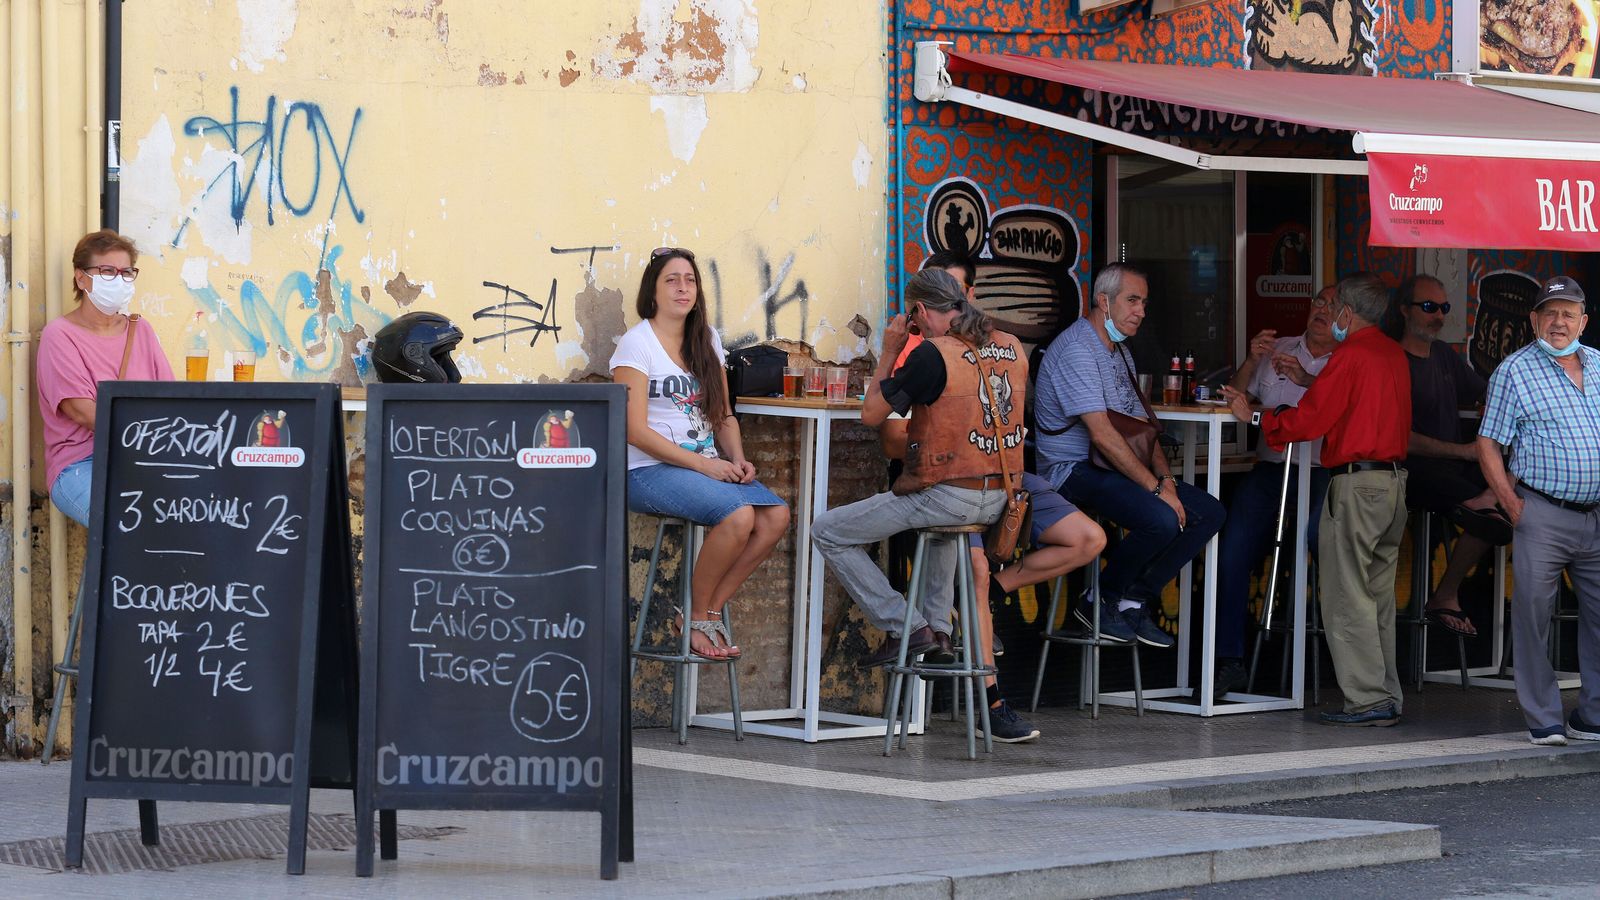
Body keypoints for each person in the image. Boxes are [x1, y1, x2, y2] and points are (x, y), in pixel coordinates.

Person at [812, 268, 1034, 737]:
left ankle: (907, 624)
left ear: (919, 312)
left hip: (949, 497)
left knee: (827, 530)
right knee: (937, 539)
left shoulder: (933, 355)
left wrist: (891, 351)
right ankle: (938, 631)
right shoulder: (1011, 346)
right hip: (999, 499)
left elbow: (873, 414)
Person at [1222, 273, 1411, 726]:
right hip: (1393, 484)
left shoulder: (1351, 354)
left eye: (1335, 308)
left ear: (1347, 313)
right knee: (1377, 597)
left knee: (1348, 597)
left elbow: (1309, 420)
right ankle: (1386, 695)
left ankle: (1367, 701)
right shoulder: (1393, 354)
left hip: (1356, 483)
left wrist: (1255, 419)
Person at [609, 247, 791, 660]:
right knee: (740, 515)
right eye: (672, 280)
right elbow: (633, 431)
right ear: (652, 292)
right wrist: (705, 465)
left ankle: (699, 613)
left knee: (775, 515)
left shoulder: (706, 340)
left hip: (703, 469)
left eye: (690, 280)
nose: (683, 288)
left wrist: (737, 459)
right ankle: (696, 620)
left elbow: (722, 414)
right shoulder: (636, 346)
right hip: (647, 471)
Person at [1035, 263, 1226, 648]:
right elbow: (1104, 435)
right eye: (1133, 300)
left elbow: (1141, 431)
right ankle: (1097, 599)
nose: (1141, 310)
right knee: (1161, 518)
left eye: (1144, 302)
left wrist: (1167, 482)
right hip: (1071, 471)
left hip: (1110, 467)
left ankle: (1130, 599)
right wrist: (1158, 493)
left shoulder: (1119, 350)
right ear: (1104, 302)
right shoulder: (1077, 349)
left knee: (1209, 513)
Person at [1475, 275, 1600, 746]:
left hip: (1596, 515)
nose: (1559, 322)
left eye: (1569, 313)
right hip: (1542, 511)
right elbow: (1487, 441)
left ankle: (1591, 717)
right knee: (1532, 614)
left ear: (1584, 321)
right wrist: (1511, 503)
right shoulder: (1514, 370)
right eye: (1550, 313)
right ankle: (1544, 717)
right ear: (1533, 320)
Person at [1213, 284, 1338, 698]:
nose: (1322, 309)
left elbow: (1332, 413)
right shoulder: (1279, 348)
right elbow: (1238, 398)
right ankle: (1228, 659)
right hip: (1270, 470)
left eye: (1332, 305)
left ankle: (1325, 663)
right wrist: (1251, 359)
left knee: (1319, 548)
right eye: (1318, 301)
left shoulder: (1349, 359)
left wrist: (1304, 381)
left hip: (1323, 473)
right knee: (1231, 550)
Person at [1386, 274, 1500, 637]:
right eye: (1429, 307)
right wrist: (1466, 451)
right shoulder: (1391, 360)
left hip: (1452, 471)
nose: (1438, 316)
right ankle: (1445, 597)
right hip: (1409, 473)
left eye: (1444, 308)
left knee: (1513, 499)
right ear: (1405, 310)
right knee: (1492, 510)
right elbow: (1399, 440)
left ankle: (1445, 595)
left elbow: (1487, 391)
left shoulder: (1442, 355)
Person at [38, 229, 175, 527]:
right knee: (124, 524)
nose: (120, 279)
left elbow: (170, 400)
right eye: (108, 271)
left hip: (144, 458)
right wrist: (147, 433)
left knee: (185, 520)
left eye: (126, 272)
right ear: (81, 278)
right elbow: (83, 412)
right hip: (82, 464)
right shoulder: (60, 336)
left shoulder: (142, 331)